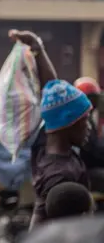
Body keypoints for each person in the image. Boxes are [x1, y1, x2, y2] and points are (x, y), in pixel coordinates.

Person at [9, 30, 92, 228]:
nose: (88, 128)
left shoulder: (46, 141)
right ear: (68, 124)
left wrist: (38, 49)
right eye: (84, 121)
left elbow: (51, 90)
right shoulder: (59, 175)